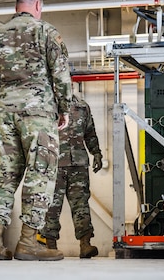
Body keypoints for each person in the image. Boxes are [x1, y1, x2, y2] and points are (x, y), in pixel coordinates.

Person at [0, 0, 72, 261]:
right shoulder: (46, 31)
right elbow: (61, 76)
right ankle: (28, 243)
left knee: (3, 178)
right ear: (37, 6)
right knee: (40, 174)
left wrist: (10, 97)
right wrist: (64, 109)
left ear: (17, 5)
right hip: (38, 116)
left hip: (6, 114)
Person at [40, 94, 102, 258]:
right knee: (52, 206)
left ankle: (85, 245)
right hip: (54, 164)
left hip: (78, 164)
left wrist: (96, 153)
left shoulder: (82, 106)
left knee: (81, 205)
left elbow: (90, 132)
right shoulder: (46, 104)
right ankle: (51, 246)